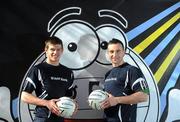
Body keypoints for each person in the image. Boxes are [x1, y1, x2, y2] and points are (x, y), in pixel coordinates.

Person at [21, 36, 77, 122]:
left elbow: (70, 95)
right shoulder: (38, 69)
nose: (55, 52)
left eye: (58, 49)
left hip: (60, 118)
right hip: (43, 118)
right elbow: (24, 96)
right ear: (46, 50)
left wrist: (74, 105)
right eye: (52, 49)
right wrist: (47, 103)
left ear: (62, 51)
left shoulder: (68, 73)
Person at [100, 38, 149, 122]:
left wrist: (117, 100)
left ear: (124, 52)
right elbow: (109, 99)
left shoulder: (132, 70)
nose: (114, 55)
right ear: (108, 53)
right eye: (111, 51)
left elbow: (144, 95)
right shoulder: (108, 74)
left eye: (118, 51)